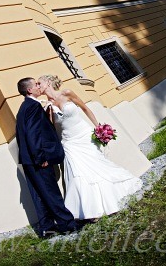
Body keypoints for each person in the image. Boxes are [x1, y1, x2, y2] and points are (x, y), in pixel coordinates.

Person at [37, 74, 143, 220]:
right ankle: (89, 210)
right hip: (69, 142)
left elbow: (85, 108)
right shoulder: (48, 107)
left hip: (83, 134)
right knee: (77, 172)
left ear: (48, 83)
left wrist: (99, 128)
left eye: (39, 83)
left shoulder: (67, 93)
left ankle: (110, 197)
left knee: (97, 164)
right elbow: (51, 130)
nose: (37, 86)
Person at [15, 77, 79, 238]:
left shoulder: (24, 107)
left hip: (28, 159)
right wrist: (40, 157)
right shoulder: (32, 106)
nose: (38, 86)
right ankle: (67, 224)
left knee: (39, 194)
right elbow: (33, 134)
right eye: (36, 84)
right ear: (29, 90)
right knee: (51, 192)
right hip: (37, 158)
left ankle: (46, 229)